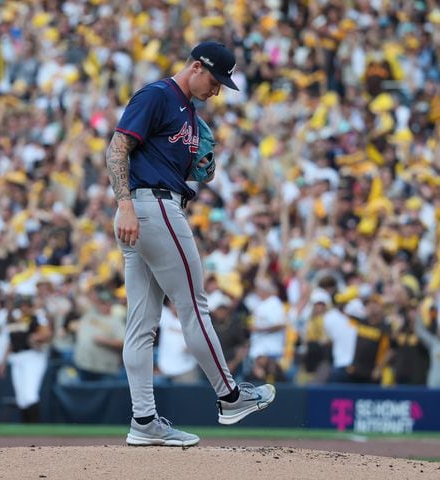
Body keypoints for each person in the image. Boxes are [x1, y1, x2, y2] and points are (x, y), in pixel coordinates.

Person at [105, 41, 276, 447]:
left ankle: (143, 420)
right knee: (193, 307)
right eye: (215, 80)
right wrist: (125, 205)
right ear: (197, 67)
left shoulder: (187, 111)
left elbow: (197, 170)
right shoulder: (159, 94)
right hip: (153, 208)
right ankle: (230, 397)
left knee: (142, 324)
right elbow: (117, 147)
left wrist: (204, 166)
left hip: (153, 206)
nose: (217, 90)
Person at [0, 296, 52, 423]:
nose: (23, 308)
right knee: (21, 397)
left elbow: (47, 333)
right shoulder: (14, 319)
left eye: (25, 305)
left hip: (32, 356)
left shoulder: (37, 316)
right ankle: (26, 434)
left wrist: (35, 337)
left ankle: (34, 431)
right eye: (21, 305)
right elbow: (11, 342)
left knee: (30, 394)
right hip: (17, 357)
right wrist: (3, 361)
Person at [72, 287, 126, 382]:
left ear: (110, 304)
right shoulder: (90, 313)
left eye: (104, 303)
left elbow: (123, 343)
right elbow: (79, 298)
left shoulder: (116, 321)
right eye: (100, 303)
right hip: (84, 365)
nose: (101, 306)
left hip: (104, 369)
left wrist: (105, 341)